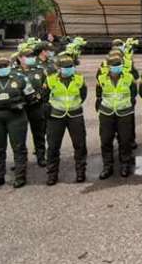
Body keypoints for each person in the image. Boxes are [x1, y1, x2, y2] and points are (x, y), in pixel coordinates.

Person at [0, 57, 33, 190]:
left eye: (5, 66)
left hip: (16, 116)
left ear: (9, 66)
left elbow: (30, 97)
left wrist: (20, 104)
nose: (2, 69)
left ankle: (20, 176)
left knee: (19, 147)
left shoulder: (20, 79)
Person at [46, 55, 88, 185]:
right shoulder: (50, 80)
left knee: (80, 145)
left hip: (75, 115)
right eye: (65, 67)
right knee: (53, 146)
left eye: (70, 67)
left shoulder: (79, 79)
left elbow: (83, 95)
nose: (68, 69)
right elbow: (44, 97)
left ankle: (81, 172)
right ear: (59, 68)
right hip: (56, 116)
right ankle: (52, 175)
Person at [96, 55, 137, 178]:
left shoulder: (129, 77)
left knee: (125, 140)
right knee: (106, 140)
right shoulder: (101, 78)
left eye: (119, 66)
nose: (117, 68)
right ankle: (107, 166)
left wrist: (128, 105)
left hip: (124, 113)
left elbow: (133, 94)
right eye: (114, 66)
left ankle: (125, 164)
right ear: (108, 67)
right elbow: (98, 95)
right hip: (106, 113)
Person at [15, 47, 48, 167]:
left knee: (39, 133)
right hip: (20, 108)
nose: (31, 58)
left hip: (36, 106)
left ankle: (41, 156)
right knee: (18, 135)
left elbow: (46, 87)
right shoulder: (14, 72)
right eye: (27, 56)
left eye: (32, 56)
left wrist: (41, 98)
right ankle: (20, 160)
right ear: (20, 58)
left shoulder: (39, 70)